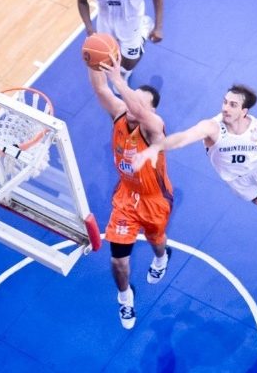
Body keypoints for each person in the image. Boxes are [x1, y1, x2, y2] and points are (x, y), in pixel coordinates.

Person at [133, 84, 257, 244]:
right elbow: (183, 138)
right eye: (225, 102)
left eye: (233, 105)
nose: (225, 108)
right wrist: (155, 148)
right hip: (236, 179)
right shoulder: (212, 127)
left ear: (244, 111)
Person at [87, 55, 173, 330]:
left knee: (157, 240)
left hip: (154, 200)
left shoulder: (155, 129)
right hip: (126, 198)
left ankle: (161, 256)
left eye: (140, 103)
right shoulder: (120, 114)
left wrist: (117, 80)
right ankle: (125, 297)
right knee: (118, 260)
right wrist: (93, 62)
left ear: (152, 111)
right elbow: (101, 90)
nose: (131, 105)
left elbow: (142, 112)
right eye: (131, 99)